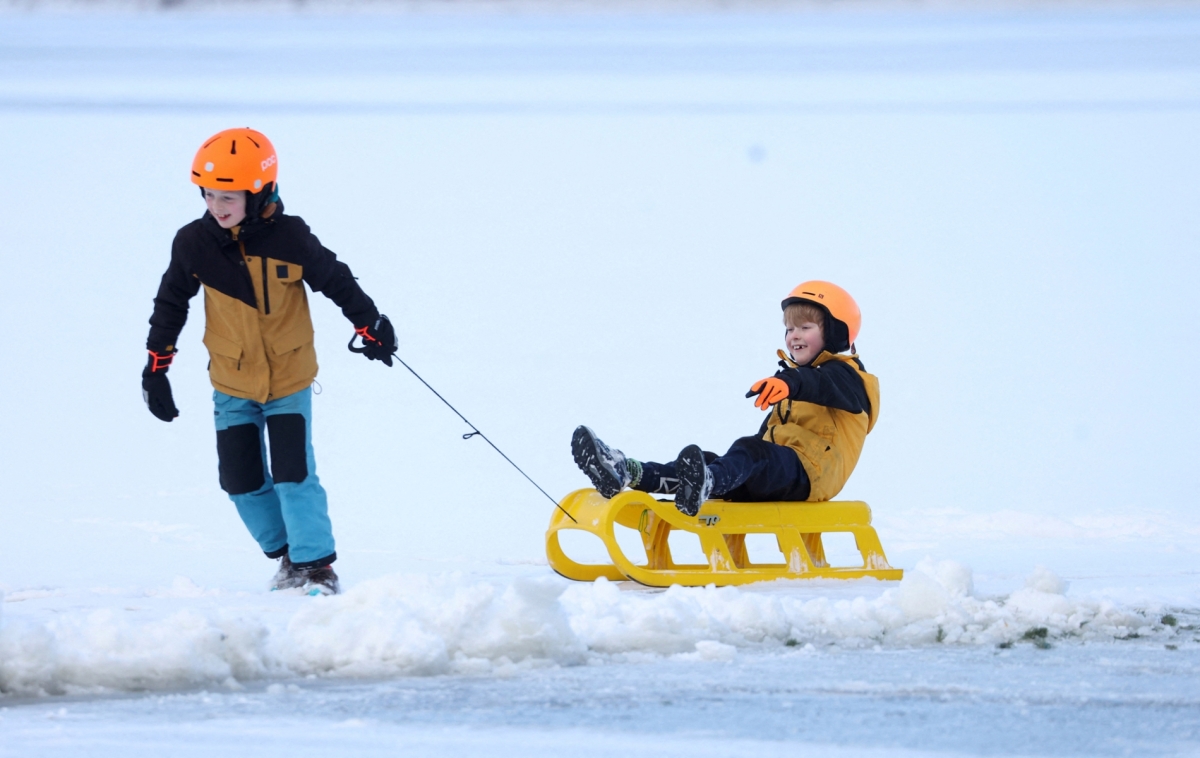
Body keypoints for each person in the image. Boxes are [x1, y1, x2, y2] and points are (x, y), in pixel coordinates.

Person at [141, 128, 396, 595]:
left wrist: (369, 322)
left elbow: (334, 278)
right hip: (231, 381)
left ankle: (316, 567)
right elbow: (171, 301)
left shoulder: (289, 237)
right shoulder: (194, 243)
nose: (217, 206)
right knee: (240, 482)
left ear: (258, 193)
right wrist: (157, 366)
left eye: (229, 197)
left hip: (288, 379)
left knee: (293, 474)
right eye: (210, 195)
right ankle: (287, 558)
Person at [572, 281, 879, 516]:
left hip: (814, 476)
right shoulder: (793, 388)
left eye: (805, 327)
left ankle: (706, 483)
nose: (793, 335)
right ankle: (630, 472)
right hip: (787, 469)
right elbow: (771, 435)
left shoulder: (849, 378)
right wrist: (787, 386)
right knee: (712, 462)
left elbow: (819, 383)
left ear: (837, 333)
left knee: (750, 451)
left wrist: (788, 382)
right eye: (788, 328)